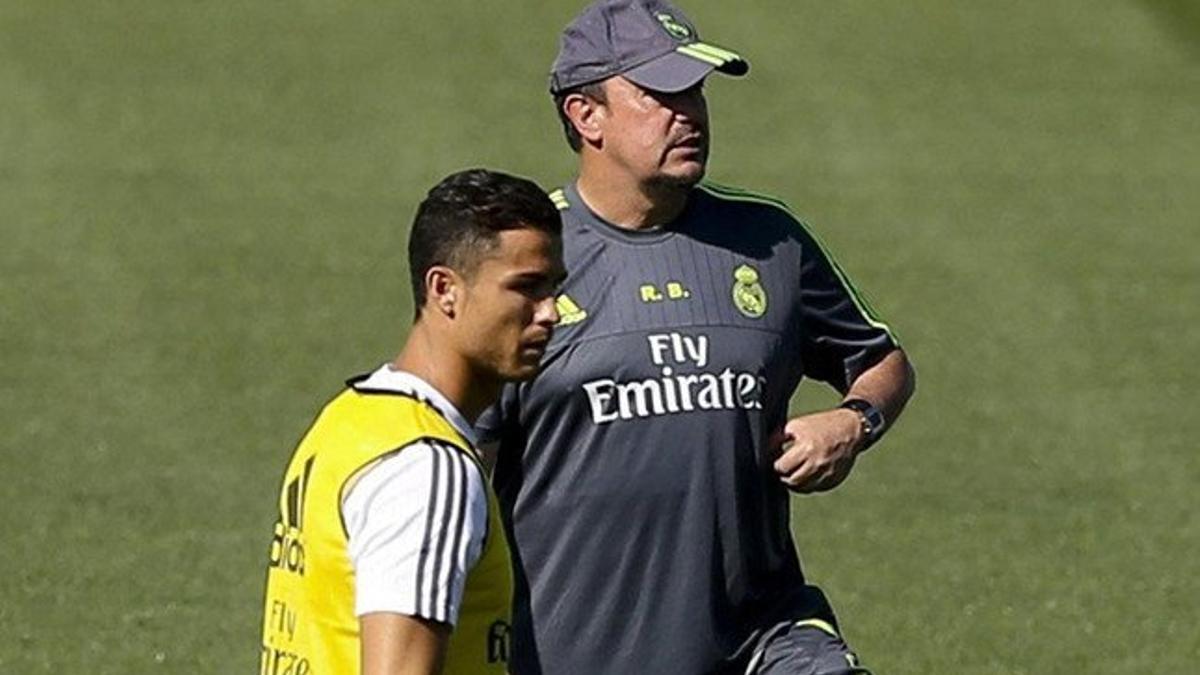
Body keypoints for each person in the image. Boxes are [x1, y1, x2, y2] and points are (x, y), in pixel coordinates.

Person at [476, 1, 917, 673]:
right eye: (660, 94)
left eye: (695, 91)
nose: (689, 112)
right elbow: (451, 453)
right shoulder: (524, 263)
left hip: (765, 636)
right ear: (584, 114)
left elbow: (880, 358)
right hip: (574, 652)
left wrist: (854, 422)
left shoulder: (769, 241)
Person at [259, 168, 565, 675]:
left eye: (554, 286)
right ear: (444, 289)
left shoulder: (348, 420)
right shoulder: (427, 467)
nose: (550, 312)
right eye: (527, 288)